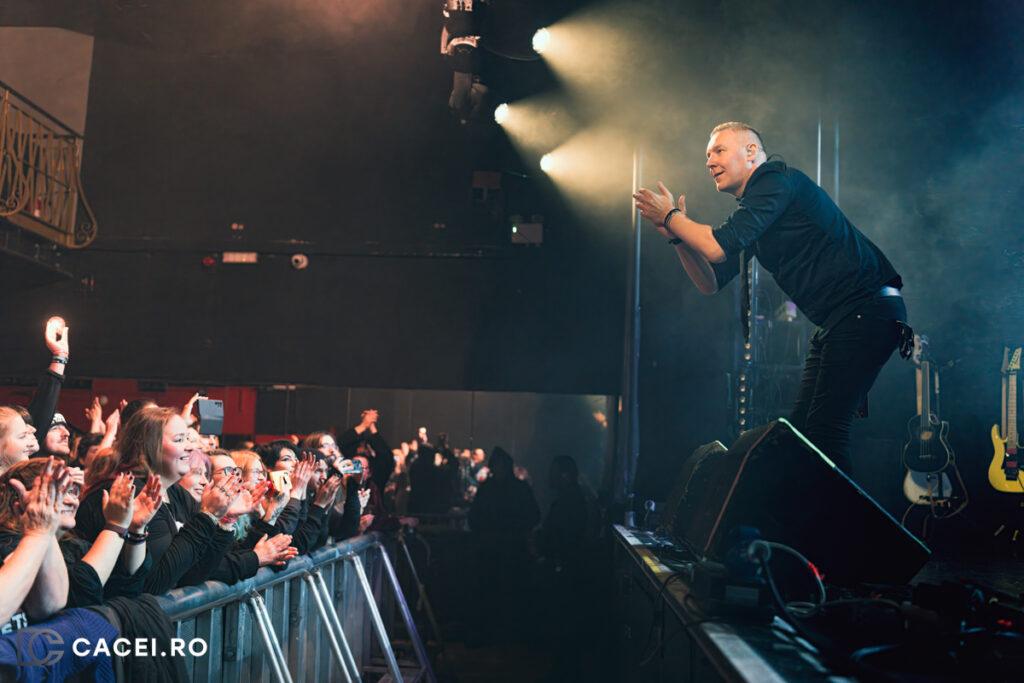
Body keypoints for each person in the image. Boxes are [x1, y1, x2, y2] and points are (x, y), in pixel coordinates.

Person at [633, 122, 909, 472]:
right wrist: (675, 235)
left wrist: (672, 217)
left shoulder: (775, 179)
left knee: (824, 434)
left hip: (866, 309)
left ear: (751, 152)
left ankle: (843, 526)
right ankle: (806, 522)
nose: (709, 162)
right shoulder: (756, 213)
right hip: (843, 320)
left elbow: (717, 247)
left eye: (718, 150)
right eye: (707, 155)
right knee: (799, 437)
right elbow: (710, 281)